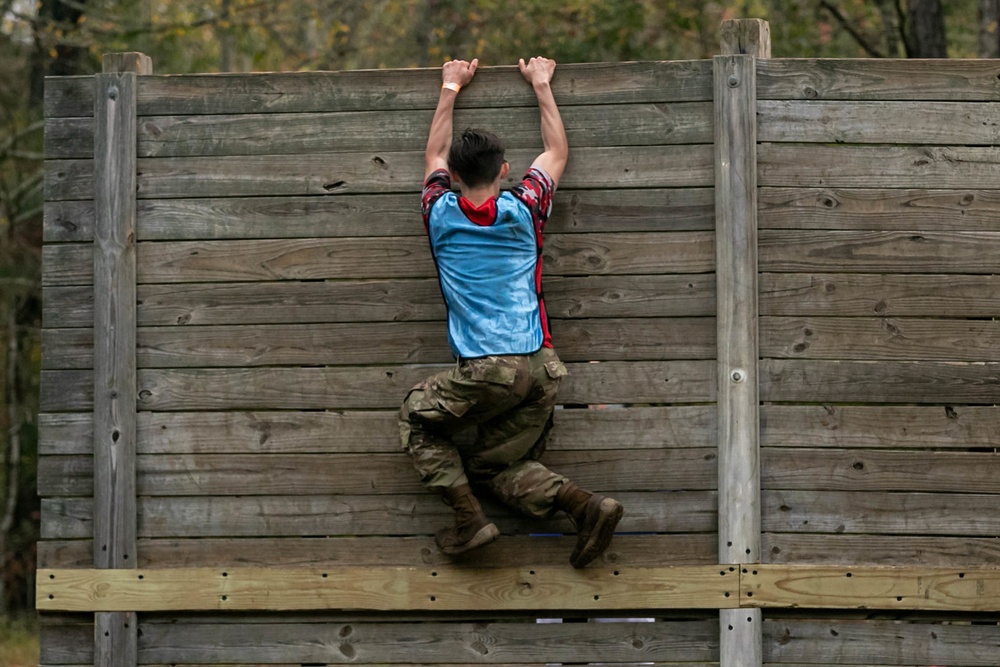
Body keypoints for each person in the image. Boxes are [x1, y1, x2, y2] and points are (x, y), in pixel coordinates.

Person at [398, 56, 624, 568]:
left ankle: (468, 520)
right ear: (504, 171)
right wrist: (541, 84)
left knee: (416, 420)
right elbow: (556, 150)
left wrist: (451, 86)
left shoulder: (439, 211)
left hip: (487, 369)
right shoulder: (527, 207)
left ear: (453, 175)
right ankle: (586, 507)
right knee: (494, 465)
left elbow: (433, 149)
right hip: (542, 366)